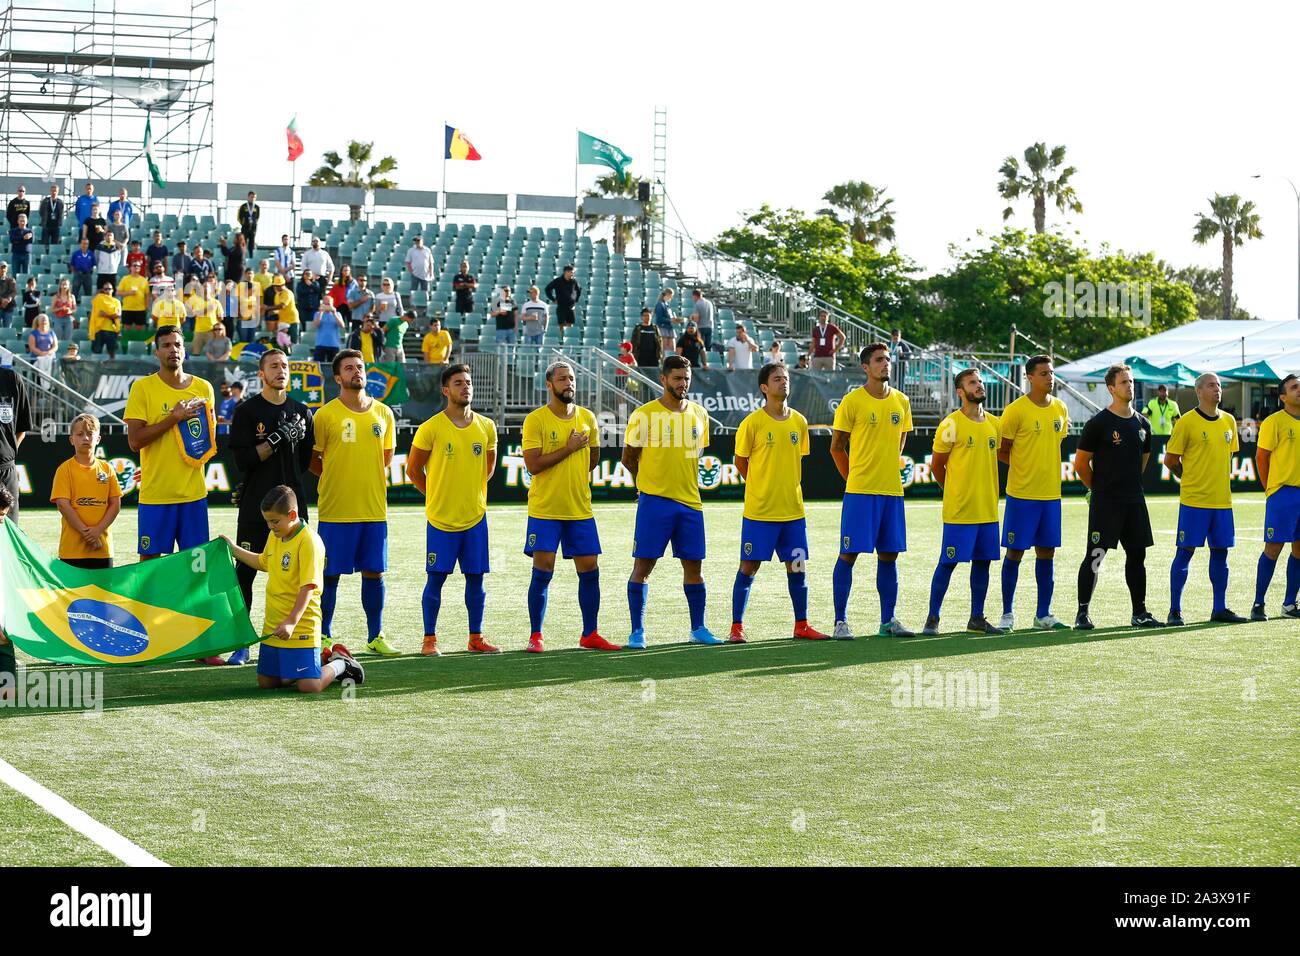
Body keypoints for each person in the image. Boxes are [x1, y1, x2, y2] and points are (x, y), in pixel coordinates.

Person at [126, 323, 223, 668]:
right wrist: (174, 417)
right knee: (150, 570)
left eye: (177, 345)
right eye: (166, 345)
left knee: (197, 571)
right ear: (156, 351)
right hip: (155, 496)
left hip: (193, 495)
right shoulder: (143, 389)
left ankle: (203, 643)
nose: (173, 350)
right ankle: (146, 640)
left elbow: (208, 438)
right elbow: (135, 441)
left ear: (185, 349)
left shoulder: (204, 388)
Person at [221, 486, 364, 692]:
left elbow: (309, 587)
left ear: (293, 515)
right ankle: (316, 663)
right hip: (274, 626)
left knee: (310, 687)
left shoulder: (309, 542)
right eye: (268, 521)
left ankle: (341, 663)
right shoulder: (276, 535)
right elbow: (263, 562)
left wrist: (291, 622)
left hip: (300, 626)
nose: (271, 527)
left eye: (275, 521)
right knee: (267, 683)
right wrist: (234, 549)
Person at [518, 361, 618, 653]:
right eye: (562, 379)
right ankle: (536, 635)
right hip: (545, 509)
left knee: (590, 569)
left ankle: (590, 634)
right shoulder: (535, 420)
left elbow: (594, 456)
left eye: (572, 378)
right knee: (543, 569)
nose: (569, 383)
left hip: (580, 509)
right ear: (549, 384)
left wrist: (576, 459)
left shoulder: (587, 417)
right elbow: (533, 465)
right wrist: (568, 449)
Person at [621, 355, 720, 647]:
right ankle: (637, 632)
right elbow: (628, 457)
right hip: (655, 503)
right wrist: (645, 484)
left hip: (690, 503)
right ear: (663, 379)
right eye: (677, 378)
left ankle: (698, 628)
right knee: (643, 567)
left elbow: (697, 455)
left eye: (686, 378)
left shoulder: (700, 414)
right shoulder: (644, 414)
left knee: (694, 568)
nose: (683, 383)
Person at [405, 364, 500, 655]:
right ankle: (429, 640)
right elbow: (413, 470)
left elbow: (489, 468)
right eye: (458, 383)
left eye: (468, 382)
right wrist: (435, 495)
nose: (465, 387)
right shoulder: (431, 427)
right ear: (446, 390)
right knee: (436, 579)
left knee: (476, 579)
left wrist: (469, 493)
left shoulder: (487, 426)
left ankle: (475, 638)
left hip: (475, 518)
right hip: (441, 519)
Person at [310, 349, 398, 656]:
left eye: (359, 367)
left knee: (374, 571)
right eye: (349, 368)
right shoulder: (325, 415)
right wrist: (337, 476)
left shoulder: (384, 414)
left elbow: (385, 458)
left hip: (373, 509)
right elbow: (313, 458)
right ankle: (323, 635)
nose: (356, 371)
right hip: (336, 509)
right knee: (329, 574)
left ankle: (375, 636)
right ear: (338, 377)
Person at [731, 362, 827, 643]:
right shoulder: (752, 423)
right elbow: (740, 461)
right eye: (777, 379)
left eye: (785, 378)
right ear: (764, 387)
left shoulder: (799, 421)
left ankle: (802, 625)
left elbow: (797, 461)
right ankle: (736, 627)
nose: (783, 382)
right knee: (748, 567)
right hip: (760, 512)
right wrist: (760, 486)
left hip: (792, 513)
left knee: (797, 567)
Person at [829, 343, 914, 638]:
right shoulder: (852, 401)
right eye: (879, 360)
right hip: (861, 492)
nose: (885, 364)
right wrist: (853, 479)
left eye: (888, 359)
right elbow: (836, 447)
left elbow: (900, 440)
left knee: (889, 556)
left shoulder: (902, 402)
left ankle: (887, 621)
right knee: (849, 554)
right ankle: (840, 621)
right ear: (866, 367)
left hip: (892, 491)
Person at [228, 349, 315, 628]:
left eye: (285, 366)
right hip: (255, 506)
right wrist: (276, 439)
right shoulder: (246, 412)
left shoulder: (302, 412)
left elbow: (302, 462)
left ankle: (296, 632)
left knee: (299, 571)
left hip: (293, 507)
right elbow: (243, 461)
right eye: (274, 366)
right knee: (245, 571)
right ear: (261, 374)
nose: (281, 371)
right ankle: (241, 639)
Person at [1072, 364, 1161, 630]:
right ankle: (1082, 613)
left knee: (1137, 556)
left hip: (1134, 501)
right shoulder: (1098, 423)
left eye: (1131, 381)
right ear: (1111, 388)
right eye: (1124, 382)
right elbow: (1080, 465)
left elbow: (1142, 462)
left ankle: (1140, 612)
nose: (1129, 386)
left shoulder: (1143, 424)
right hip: (1106, 502)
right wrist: (1098, 490)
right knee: (1096, 555)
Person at [923, 369, 1005, 636]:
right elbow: (937, 466)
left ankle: (977, 618)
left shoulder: (995, 424)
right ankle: (932, 619)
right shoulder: (951, 425)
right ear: (960, 392)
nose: (979, 386)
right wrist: (953, 491)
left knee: (983, 563)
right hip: (960, 511)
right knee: (948, 563)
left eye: (980, 381)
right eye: (972, 382)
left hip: (988, 510)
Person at [1163, 372, 1246, 625]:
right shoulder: (1186, 422)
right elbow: (1170, 460)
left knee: (1221, 554)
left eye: (1219, 385)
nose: (1217, 389)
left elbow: (1228, 457)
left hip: (1222, 502)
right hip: (1194, 502)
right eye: (1211, 385)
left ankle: (1219, 608)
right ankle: (1175, 610)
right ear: (1198, 391)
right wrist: (1188, 479)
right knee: (1185, 552)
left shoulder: (1229, 421)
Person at [996, 355, 1070, 631]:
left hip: (1051, 496)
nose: (1049, 378)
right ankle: (1007, 614)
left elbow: (1057, 442)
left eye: (1051, 373)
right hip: (1022, 495)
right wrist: (1024, 467)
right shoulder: (1016, 411)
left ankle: (1043, 614)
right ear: (1029, 377)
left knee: (1047, 553)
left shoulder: (1060, 409)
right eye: (1043, 374)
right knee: (1015, 553)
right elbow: (1002, 450)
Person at [1252, 373, 1300, 620]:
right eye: (1294, 387)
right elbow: (1262, 457)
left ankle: (1290, 604)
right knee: (1273, 547)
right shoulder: (1274, 422)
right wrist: (1270, 489)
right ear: (1283, 397)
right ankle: (1258, 603)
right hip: (1283, 493)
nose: (1299, 390)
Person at [50, 413, 121, 569]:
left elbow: (115, 504)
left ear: (98, 439)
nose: (86, 438)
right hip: (72, 550)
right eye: (80, 434)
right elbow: (63, 505)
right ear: (71, 439)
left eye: (90, 434)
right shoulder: (64, 469)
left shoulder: (107, 469)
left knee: (102, 593)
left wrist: (98, 531)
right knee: (73, 593)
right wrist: (88, 534)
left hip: (102, 549)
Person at [0, 357, 31, 523]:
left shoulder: (12, 379)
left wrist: (8, 456)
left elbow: (21, 430)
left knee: (8, 531)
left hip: (6, 471)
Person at [544, 264, 581, 343]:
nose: (572, 274)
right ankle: (562, 340)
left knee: (570, 325)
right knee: (561, 324)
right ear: (566, 272)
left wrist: (575, 300)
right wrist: (553, 299)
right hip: (561, 306)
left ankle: (568, 341)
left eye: (572, 272)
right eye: (571, 272)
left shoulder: (574, 281)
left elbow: (578, 290)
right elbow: (547, 289)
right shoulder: (558, 281)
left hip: (570, 307)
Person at [89, 280, 122, 357]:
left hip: (112, 330)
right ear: (102, 290)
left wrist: (106, 315)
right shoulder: (99, 299)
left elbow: (118, 314)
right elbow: (99, 313)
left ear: (113, 290)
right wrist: (111, 315)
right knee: (96, 352)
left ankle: (112, 368)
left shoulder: (116, 301)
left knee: (112, 353)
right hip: (99, 329)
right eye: (105, 289)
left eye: (109, 289)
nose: (107, 291)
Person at [117, 258, 150, 331]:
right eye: (134, 265)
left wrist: (147, 305)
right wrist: (129, 293)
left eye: (138, 266)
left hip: (140, 309)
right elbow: (118, 292)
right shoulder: (125, 279)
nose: (136, 267)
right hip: (127, 308)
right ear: (130, 267)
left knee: (140, 330)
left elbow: (147, 294)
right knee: (127, 330)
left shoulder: (144, 280)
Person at [265, 275, 299, 343]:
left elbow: (282, 306)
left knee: (293, 342)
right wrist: (274, 312)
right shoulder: (277, 295)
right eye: (276, 285)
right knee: (282, 343)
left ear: (284, 284)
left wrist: (267, 308)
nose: (278, 287)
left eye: (280, 285)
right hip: (282, 322)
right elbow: (279, 308)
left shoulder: (287, 292)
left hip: (292, 321)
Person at [312, 295, 345, 363]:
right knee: (318, 365)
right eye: (325, 304)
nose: (327, 306)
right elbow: (315, 325)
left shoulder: (337, 314)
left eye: (328, 304)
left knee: (335, 366)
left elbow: (342, 326)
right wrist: (321, 312)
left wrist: (334, 313)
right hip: (320, 344)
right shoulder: (317, 314)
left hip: (334, 344)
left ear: (332, 304)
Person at [51, 278, 76, 343]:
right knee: (57, 339)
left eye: (66, 285)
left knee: (68, 339)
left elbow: (75, 309)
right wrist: (61, 308)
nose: (64, 286)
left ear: (69, 286)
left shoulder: (72, 297)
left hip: (68, 319)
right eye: (63, 284)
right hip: (58, 319)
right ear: (60, 285)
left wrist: (70, 311)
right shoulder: (56, 297)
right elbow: (52, 310)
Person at [653, 288, 677, 356]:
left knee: (672, 348)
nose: (671, 298)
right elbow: (659, 318)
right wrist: (670, 320)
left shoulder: (666, 304)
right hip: (663, 328)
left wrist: (674, 319)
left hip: (669, 328)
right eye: (671, 296)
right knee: (664, 349)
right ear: (667, 294)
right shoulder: (660, 304)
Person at [0, 264, 16, 330]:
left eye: (4, 268)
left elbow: (13, 291)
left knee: (7, 329)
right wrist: (1, 300)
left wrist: (8, 299)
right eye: (1, 267)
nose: (3, 269)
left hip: (8, 307)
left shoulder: (11, 280)